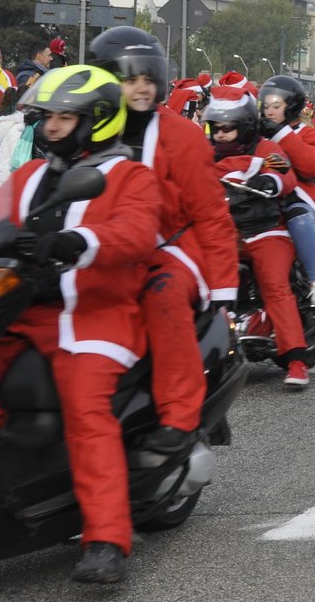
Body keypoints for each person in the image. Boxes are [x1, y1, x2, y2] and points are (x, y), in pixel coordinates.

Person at [0, 64, 164, 583]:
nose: (52, 127)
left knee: (85, 407)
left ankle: (105, 539)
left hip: (94, 315)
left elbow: (138, 232)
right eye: (47, 117)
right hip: (21, 311)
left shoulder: (130, 177)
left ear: (98, 121)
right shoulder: (27, 176)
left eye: (64, 117)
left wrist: (81, 242)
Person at [96, 26, 242, 448]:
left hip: (174, 248)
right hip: (107, 246)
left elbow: (211, 212)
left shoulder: (181, 134)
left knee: (162, 295)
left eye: (147, 78)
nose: (140, 87)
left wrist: (222, 287)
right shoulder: (91, 125)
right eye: (129, 78)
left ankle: (179, 417)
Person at [206, 91, 312, 388]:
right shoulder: (205, 152)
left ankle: (296, 361)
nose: (221, 133)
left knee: (274, 285)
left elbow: (284, 174)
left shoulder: (265, 147)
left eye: (228, 127)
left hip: (265, 229)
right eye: (216, 127)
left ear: (246, 125)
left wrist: (269, 180)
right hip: (223, 232)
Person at [258, 76, 315, 306]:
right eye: (266, 106)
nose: (269, 111)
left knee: (300, 218)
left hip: (293, 199)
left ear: (290, 107)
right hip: (256, 198)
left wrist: (280, 134)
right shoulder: (255, 131)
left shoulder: (307, 133)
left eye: (276, 106)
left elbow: (313, 166)